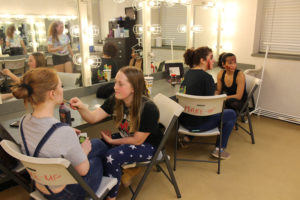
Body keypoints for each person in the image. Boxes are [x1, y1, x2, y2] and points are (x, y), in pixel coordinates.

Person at [11, 68, 108, 200]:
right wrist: (83, 150)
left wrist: (63, 132)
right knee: (98, 156)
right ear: (52, 93)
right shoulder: (62, 131)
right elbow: (83, 170)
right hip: (65, 193)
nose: (62, 89)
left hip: (40, 185)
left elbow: (46, 134)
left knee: (97, 143)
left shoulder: (23, 121)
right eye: (60, 86)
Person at [70, 66, 163, 200]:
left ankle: (111, 197)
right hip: (128, 137)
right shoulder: (116, 100)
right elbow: (93, 118)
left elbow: (138, 140)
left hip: (149, 146)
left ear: (134, 88)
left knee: (110, 156)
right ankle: (89, 186)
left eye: (120, 84)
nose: (115, 87)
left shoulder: (148, 108)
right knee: (94, 145)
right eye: (115, 82)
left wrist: (113, 142)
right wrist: (82, 107)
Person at [178, 47, 236, 160]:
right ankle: (219, 149)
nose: (213, 61)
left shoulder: (187, 74)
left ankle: (187, 138)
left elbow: (182, 95)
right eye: (211, 58)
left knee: (198, 112)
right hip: (198, 127)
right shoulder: (207, 78)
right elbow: (213, 107)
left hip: (184, 123)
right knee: (231, 114)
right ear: (202, 60)